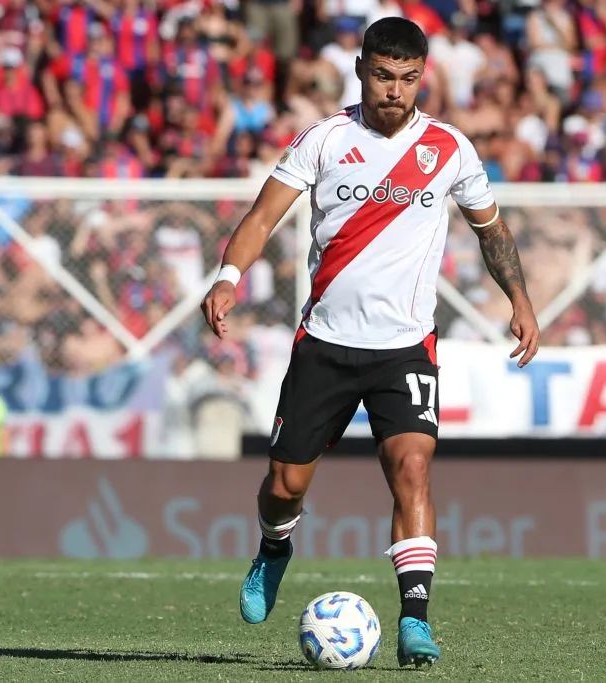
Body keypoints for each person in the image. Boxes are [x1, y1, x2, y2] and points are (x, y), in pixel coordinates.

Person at [201, 17, 540, 668]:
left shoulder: (450, 149)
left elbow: (490, 230)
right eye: (384, 76)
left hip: (406, 346)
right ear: (361, 70)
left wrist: (519, 298)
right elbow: (262, 216)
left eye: (408, 79)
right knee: (284, 484)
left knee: (412, 468)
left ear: (422, 78)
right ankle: (275, 548)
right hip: (325, 342)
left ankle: (414, 619)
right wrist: (227, 278)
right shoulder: (324, 140)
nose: (395, 90)